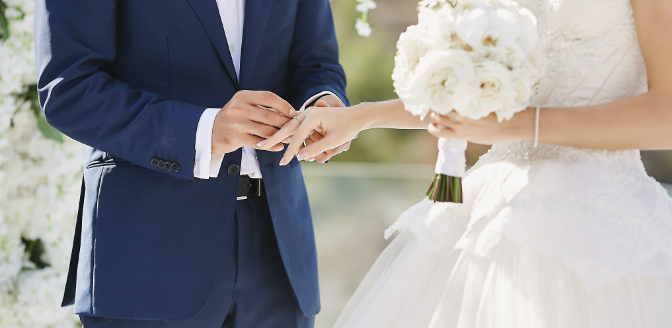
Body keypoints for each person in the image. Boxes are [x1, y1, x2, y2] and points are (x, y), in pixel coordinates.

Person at [260, 0, 672, 326]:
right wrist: (360, 118)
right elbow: (466, 91)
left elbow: (665, 117)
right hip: (488, 216)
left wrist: (518, 126)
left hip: (602, 228)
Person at [34, 0, 349, 326]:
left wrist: (323, 103)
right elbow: (69, 88)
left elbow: (316, 65)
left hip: (280, 253)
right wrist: (204, 130)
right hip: (148, 255)